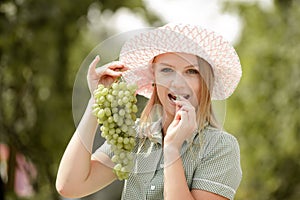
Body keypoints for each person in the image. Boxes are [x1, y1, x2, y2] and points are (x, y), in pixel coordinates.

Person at [56, 23, 242, 200]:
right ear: (154, 78)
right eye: (167, 70)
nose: (178, 83)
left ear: (205, 82)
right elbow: (70, 185)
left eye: (191, 72)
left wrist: (172, 149)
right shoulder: (135, 138)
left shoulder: (220, 147)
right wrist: (96, 101)